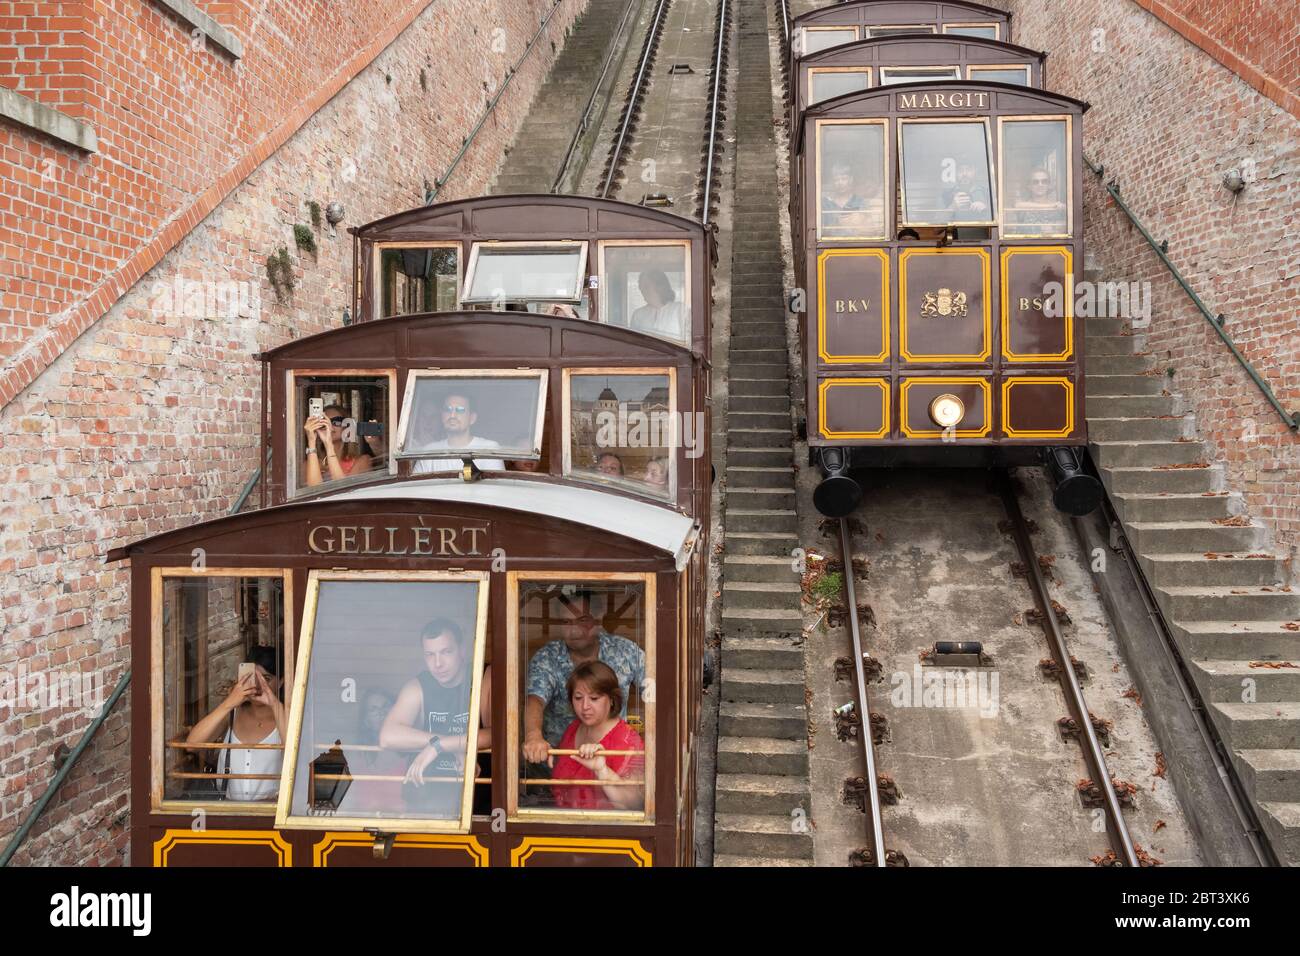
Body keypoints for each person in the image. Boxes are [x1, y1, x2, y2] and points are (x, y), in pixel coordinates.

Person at [380, 618, 488, 817]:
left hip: (478, 797)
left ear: (462, 650)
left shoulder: (484, 676)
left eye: (446, 652)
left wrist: (439, 747)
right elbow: (387, 737)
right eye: (430, 655)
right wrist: (440, 743)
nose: (438, 663)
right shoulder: (418, 686)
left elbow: (496, 734)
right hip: (425, 800)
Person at [522, 609, 646, 764]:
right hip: (557, 763)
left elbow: (656, 692)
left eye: (582, 620)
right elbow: (535, 700)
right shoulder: (548, 656)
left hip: (615, 761)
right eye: (566, 622)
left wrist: (653, 742)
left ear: (598, 619)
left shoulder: (625, 651)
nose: (574, 630)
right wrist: (533, 737)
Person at [185, 646, 285, 802]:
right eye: (252, 678)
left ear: (280, 682)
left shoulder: (286, 716)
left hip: (272, 813)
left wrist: (274, 703)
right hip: (229, 812)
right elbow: (192, 744)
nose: (258, 686)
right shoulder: (232, 713)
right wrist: (229, 702)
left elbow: (297, 753)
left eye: (266, 679)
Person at [550, 661, 645, 811]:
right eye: (578, 698)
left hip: (605, 831)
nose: (585, 706)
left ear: (612, 699)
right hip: (562, 825)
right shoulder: (573, 729)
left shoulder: (630, 742)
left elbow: (636, 803)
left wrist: (602, 770)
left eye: (594, 698)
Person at [411, 391, 506, 474]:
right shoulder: (429, 451)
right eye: (447, 410)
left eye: (460, 410)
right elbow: (415, 489)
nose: (452, 415)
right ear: (442, 416)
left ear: (472, 418)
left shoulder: (489, 449)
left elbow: (494, 490)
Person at [303, 404, 374, 485]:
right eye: (324, 422)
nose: (329, 426)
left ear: (347, 427)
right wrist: (311, 442)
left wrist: (328, 444)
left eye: (336, 422)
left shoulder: (363, 461)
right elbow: (314, 490)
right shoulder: (309, 463)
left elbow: (343, 490)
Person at [821, 160, 883, 237]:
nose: (840, 183)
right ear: (832, 182)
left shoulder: (860, 202)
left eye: (844, 179)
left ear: (851, 179)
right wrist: (837, 224)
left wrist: (858, 221)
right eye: (836, 179)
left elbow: (871, 231)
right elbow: (820, 231)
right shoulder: (825, 203)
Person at [629, 271, 686, 340]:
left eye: (646, 286)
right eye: (640, 287)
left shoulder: (680, 309)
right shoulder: (638, 314)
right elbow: (633, 341)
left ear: (660, 287)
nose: (642, 290)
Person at [1007, 167, 1067, 232]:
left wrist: (1053, 230)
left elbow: (1063, 229)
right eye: (1035, 182)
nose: (1040, 185)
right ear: (1029, 186)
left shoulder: (1058, 208)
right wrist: (1051, 206)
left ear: (1049, 185)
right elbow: (1017, 205)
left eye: (1044, 181)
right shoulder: (1024, 205)